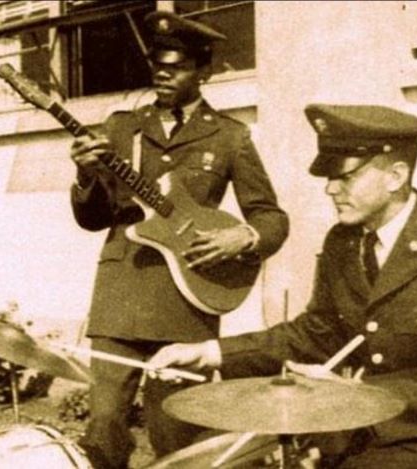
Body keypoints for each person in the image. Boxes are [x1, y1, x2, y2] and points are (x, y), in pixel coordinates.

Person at [147, 104, 417, 468]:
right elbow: (315, 333)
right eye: (328, 177)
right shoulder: (344, 240)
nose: (330, 189)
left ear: (396, 176)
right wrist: (209, 352)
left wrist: (359, 394)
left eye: (345, 177)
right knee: (214, 458)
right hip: (353, 433)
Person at [69, 11, 289, 469]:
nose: (163, 75)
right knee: (103, 428)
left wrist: (242, 236)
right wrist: (85, 176)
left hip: (188, 301)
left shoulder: (229, 136)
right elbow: (93, 220)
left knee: (177, 432)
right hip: (121, 297)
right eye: (158, 66)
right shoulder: (123, 128)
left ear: (203, 71)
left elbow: (271, 217)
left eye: (177, 67)